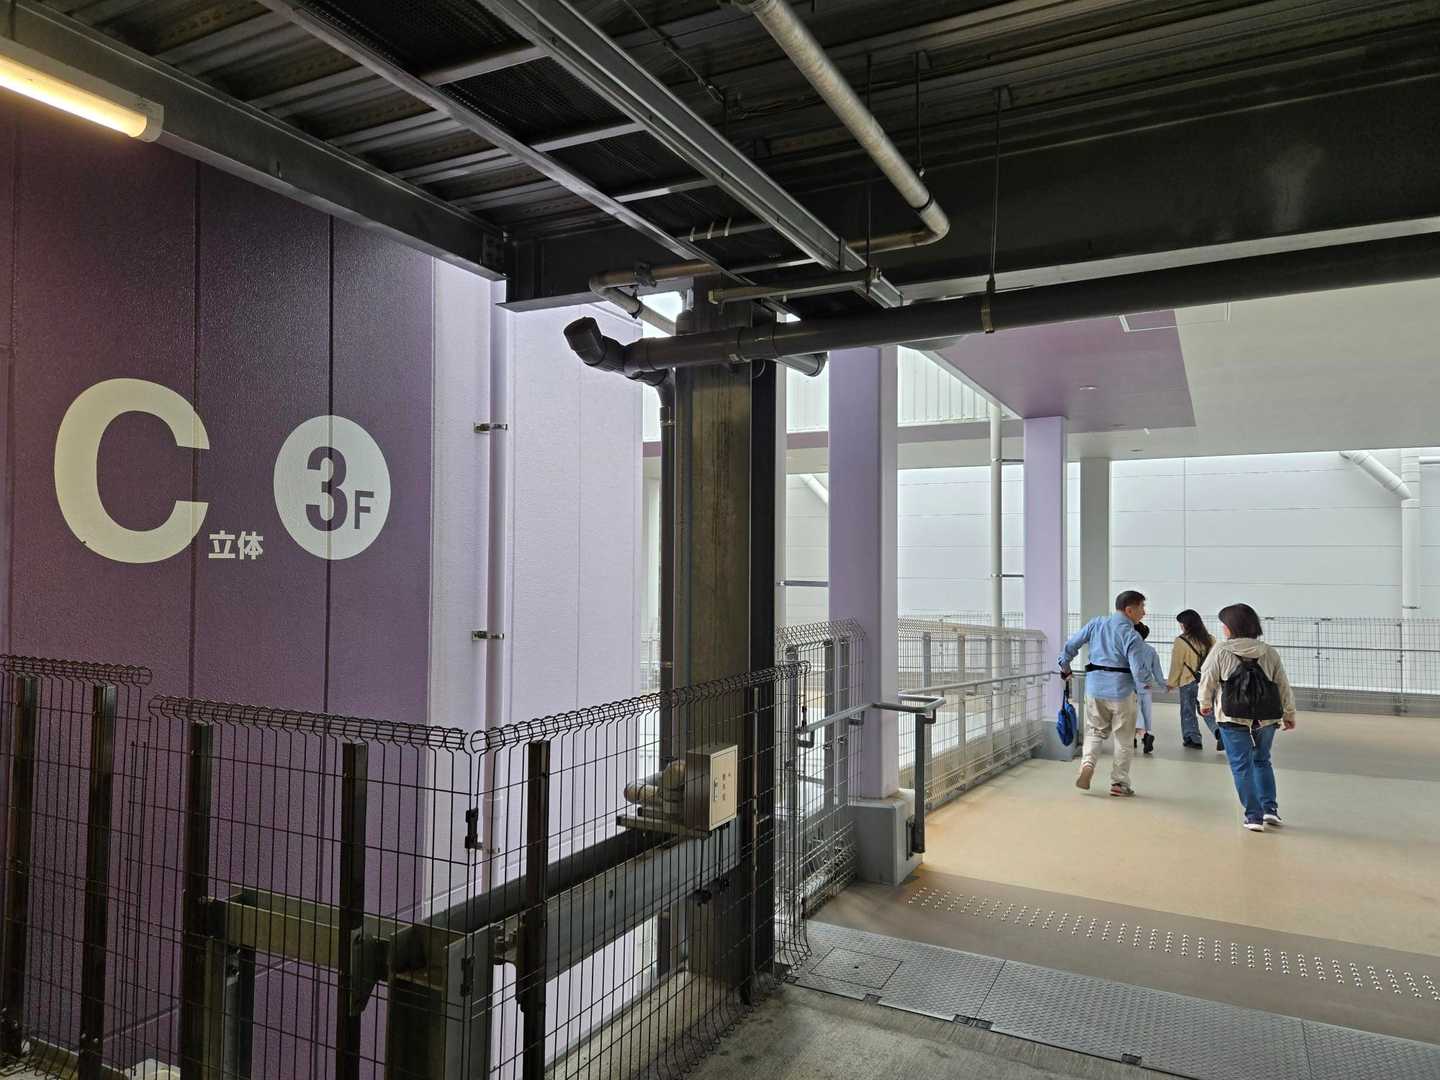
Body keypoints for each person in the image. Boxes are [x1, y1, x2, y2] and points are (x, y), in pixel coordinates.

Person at [1198, 603, 1298, 833]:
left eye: (1224, 624)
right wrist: (1289, 713)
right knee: (1262, 760)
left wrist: (1204, 704)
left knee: (1241, 766)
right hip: (1266, 718)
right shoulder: (1269, 651)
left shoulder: (1221, 650)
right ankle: (1270, 809)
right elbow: (1282, 685)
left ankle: (1253, 815)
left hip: (1231, 716)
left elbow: (1207, 678)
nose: (1222, 628)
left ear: (1231, 626)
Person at [1057, 590, 1152, 797]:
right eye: (1142, 608)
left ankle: (1087, 765)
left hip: (1094, 689)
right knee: (1124, 739)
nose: (1144, 613)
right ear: (1129, 610)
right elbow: (1138, 672)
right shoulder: (1132, 636)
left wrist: (1065, 666)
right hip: (1122, 692)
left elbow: (1071, 645)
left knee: (1094, 731)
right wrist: (1148, 682)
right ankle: (1119, 783)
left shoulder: (1096, 623)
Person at [1168, 610, 1216, 750]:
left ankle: (1192, 739)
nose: (1181, 626)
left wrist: (1172, 682)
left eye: (1181, 623)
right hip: (1206, 681)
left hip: (1187, 681)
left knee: (1187, 711)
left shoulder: (1181, 641)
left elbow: (1176, 664)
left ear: (1187, 624)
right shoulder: (1211, 640)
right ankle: (1219, 732)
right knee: (1207, 709)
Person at [1133, 623, 1165, 755]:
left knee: (1133, 712)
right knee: (1146, 713)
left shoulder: (1129, 648)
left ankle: (1142, 736)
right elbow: (1157, 670)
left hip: (1131, 685)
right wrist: (1164, 685)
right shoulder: (1151, 650)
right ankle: (1141, 736)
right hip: (1146, 685)